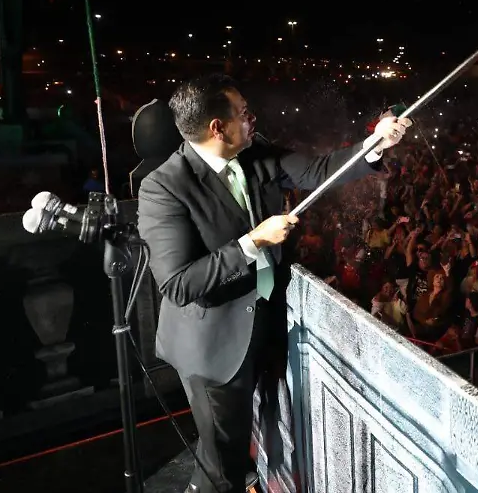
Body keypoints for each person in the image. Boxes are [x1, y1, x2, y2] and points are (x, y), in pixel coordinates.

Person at [137, 74, 410, 492]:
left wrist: (374, 143)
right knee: (222, 462)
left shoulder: (255, 150)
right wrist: (252, 243)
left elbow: (317, 170)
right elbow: (178, 283)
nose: (253, 119)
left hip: (266, 319)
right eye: (244, 113)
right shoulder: (164, 188)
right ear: (217, 127)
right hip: (215, 346)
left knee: (255, 434)